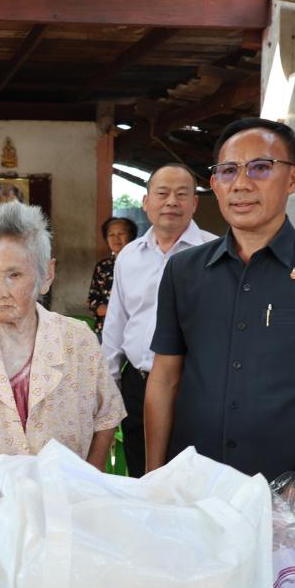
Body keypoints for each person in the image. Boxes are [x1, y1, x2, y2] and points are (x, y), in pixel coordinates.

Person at [145, 118, 295, 516]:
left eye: (260, 167)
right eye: (228, 171)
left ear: (294, 178)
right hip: (192, 491)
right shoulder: (183, 271)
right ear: (215, 184)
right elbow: (165, 378)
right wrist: (154, 477)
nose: (241, 184)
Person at [0, 202, 125, 563]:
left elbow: (107, 416)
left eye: (14, 275)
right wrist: (30, 497)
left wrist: (88, 478)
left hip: (67, 528)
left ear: (46, 275)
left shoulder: (78, 341)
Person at [101, 166, 214, 477]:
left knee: (192, 478)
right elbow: (116, 323)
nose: (171, 202)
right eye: (162, 193)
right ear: (146, 202)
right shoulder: (129, 255)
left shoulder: (215, 253)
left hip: (194, 386)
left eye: (182, 194)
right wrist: (109, 385)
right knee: (143, 475)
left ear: (194, 203)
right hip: (138, 383)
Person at [88, 216, 138, 335]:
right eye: (111, 234)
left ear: (131, 237)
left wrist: (113, 310)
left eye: (121, 233)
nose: (116, 238)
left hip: (134, 330)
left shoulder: (140, 264)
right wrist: (113, 311)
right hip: (105, 329)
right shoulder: (102, 266)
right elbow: (93, 300)